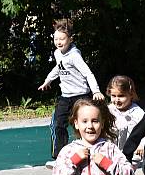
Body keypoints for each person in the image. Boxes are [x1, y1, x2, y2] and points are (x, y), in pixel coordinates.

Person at [38, 19, 104, 167]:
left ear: (70, 39)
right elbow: (58, 67)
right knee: (57, 124)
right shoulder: (57, 53)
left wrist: (96, 91)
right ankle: (60, 158)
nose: (59, 42)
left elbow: (88, 73)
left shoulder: (75, 55)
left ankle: (93, 152)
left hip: (80, 96)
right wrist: (48, 80)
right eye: (56, 39)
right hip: (65, 97)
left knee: (83, 125)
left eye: (62, 39)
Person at [106, 75, 145, 175]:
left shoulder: (138, 113)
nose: (117, 99)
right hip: (111, 154)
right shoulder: (109, 109)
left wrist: (142, 145)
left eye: (121, 96)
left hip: (131, 156)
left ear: (131, 94)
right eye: (113, 96)